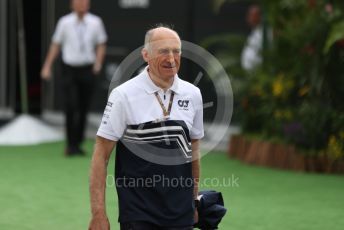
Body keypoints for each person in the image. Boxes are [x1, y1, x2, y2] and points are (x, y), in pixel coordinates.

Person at [89, 26, 204, 230]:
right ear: (146, 55)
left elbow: (193, 152)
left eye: (176, 51)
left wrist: (194, 201)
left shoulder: (193, 94)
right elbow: (101, 155)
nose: (171, 58)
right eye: (163, 51)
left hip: (181, 213)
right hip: (138, 213)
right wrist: (98, 214)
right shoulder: (123, 95)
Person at [41, 0, 107, 156]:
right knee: (70, 105)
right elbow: (56, 44)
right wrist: (47, 66)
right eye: (79, 2)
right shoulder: (64, 22)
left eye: (84, 2)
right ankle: (70, 144)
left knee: (84, 107)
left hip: (87, 69)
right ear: (72, 5)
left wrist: (98, 63)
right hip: (69, 69)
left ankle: (78, 143)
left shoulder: (96, 22)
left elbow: (101, 44)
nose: (82, 5)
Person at [241, 4, 264, 71]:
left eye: (252, 15)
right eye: (249, 15)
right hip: (254, 75)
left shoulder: (265, 32)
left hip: (262, 72)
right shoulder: (255, 31)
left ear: (260, 16)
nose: (249, 18)